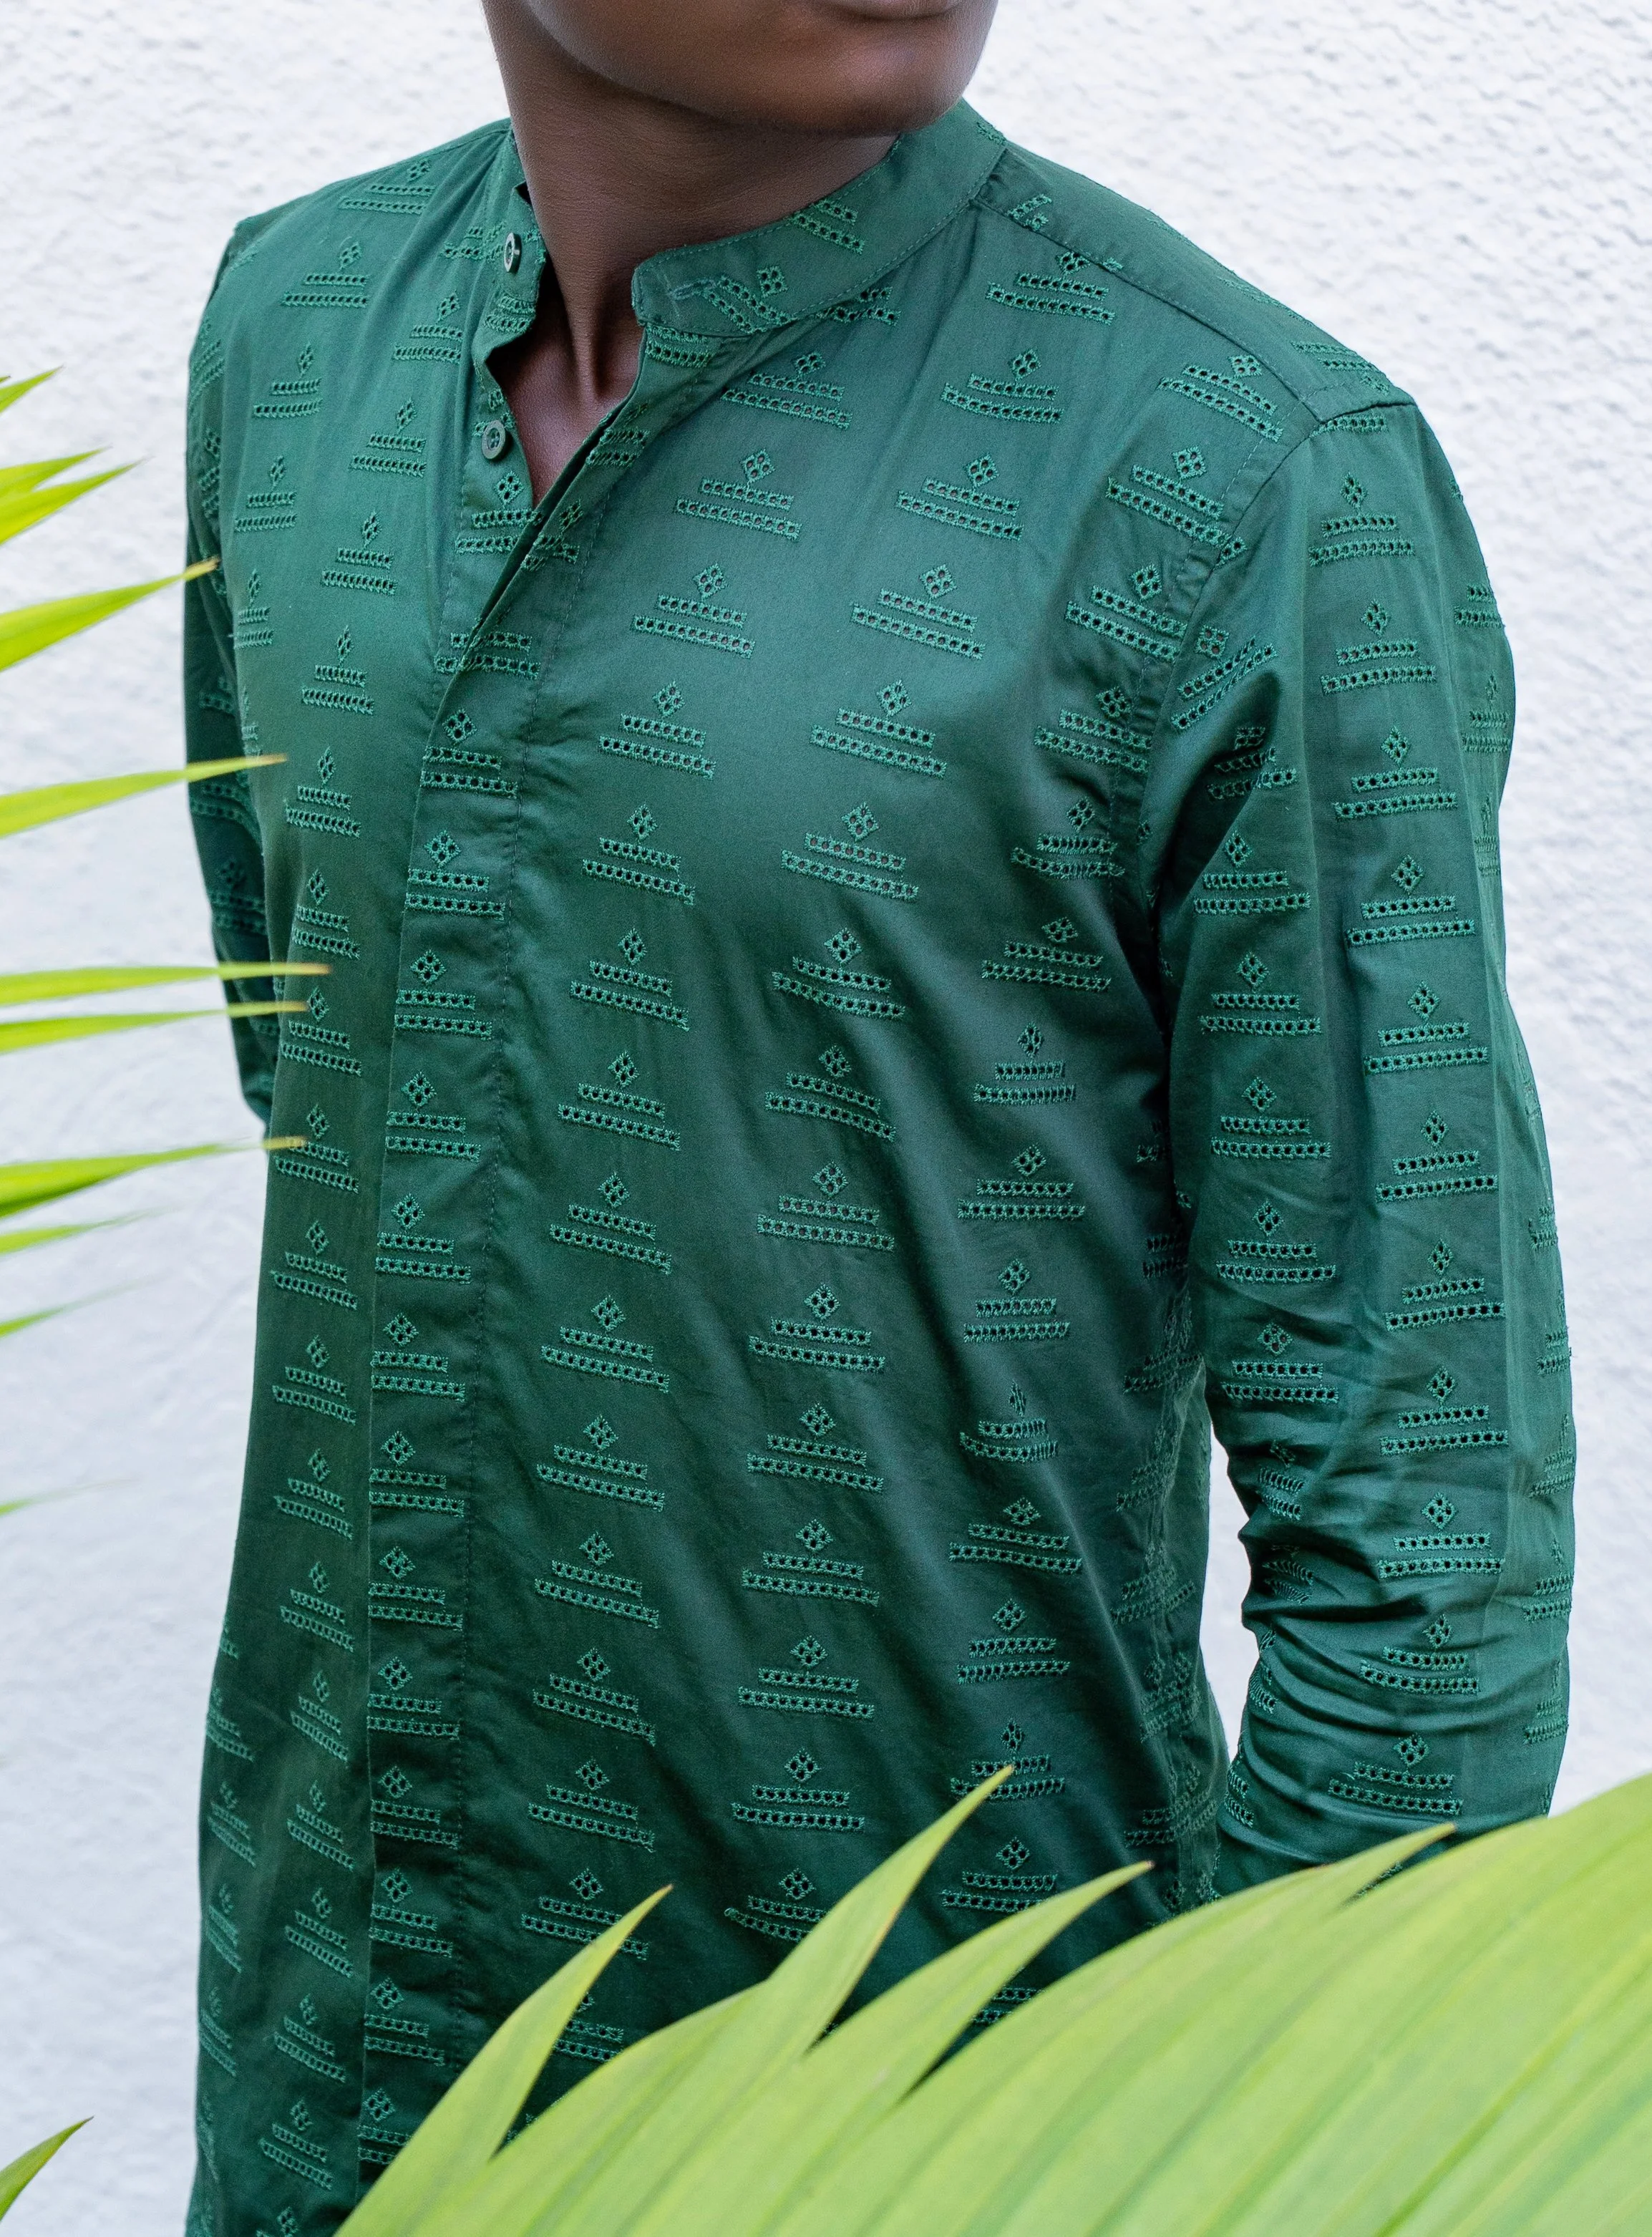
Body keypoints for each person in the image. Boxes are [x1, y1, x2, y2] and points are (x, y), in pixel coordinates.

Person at [180, 2, 1573, 2228]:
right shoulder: (292, 339)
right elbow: (337, 1090)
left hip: (949, 2118)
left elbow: (1425, 1579)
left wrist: (1221, 2162)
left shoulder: (1240, 480)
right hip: (334, 2070)